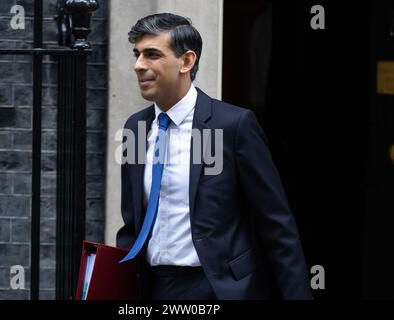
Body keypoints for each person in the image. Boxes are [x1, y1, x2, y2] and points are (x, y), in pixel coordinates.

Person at [116, 12, 312, 300]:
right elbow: (133, 223)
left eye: (152, 54)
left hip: (217, 289)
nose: (138, 65)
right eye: (137, 54)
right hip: (153, 287)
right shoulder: (136, 127)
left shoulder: (234, 125)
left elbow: (275, 223)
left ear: (187, 61)